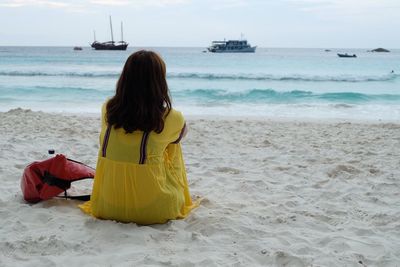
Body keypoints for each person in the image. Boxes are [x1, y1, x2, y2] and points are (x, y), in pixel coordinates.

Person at [80, 50, 198, 224]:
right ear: (159, 81)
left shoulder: (108, 109)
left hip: (105, 206)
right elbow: (181, 136)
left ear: (125, 79)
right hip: (154, 210)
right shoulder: (171, 117)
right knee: (173, 145)